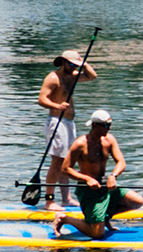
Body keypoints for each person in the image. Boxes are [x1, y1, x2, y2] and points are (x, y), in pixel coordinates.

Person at [52, 110, 143, 238]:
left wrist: (113, 176)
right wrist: (87, 179)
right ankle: (65, 218)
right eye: (106, 125)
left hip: (105, 185)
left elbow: (121, 162)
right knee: (97, 233)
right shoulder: (80, 144)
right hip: (88, 190)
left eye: (110, 125)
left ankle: (104, 217)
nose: (109, 128)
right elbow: (65, 168)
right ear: (95, 125)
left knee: (137, 201)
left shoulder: (109, 139)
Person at [38, 49, 97, 211]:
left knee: (66, 162)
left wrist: (84, 64)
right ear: (63, 62)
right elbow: (41, 99)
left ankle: (66, 199)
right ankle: (49, 201)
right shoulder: (53, 78)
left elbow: (92, 76)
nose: (74, 67)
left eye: (75, 65)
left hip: (69, 123)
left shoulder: (72, 76)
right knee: (57, 161)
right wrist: (57, 106)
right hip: (57, 122)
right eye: (71, 64)